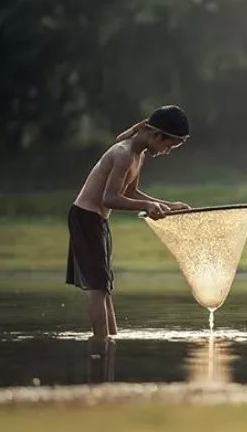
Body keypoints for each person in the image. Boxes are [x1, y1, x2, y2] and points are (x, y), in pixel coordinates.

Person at [66, 105, 191, 340]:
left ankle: (111, 340)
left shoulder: (137, 155)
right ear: (154, 135)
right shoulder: (123, 154)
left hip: (98, 221)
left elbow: (131, 193)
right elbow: (109, 198)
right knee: (97, 288)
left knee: (104, 287)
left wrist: (168, 205)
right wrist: (147, 207)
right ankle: (101, 343)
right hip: (85, 218)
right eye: (168, 145)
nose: (166, 151)